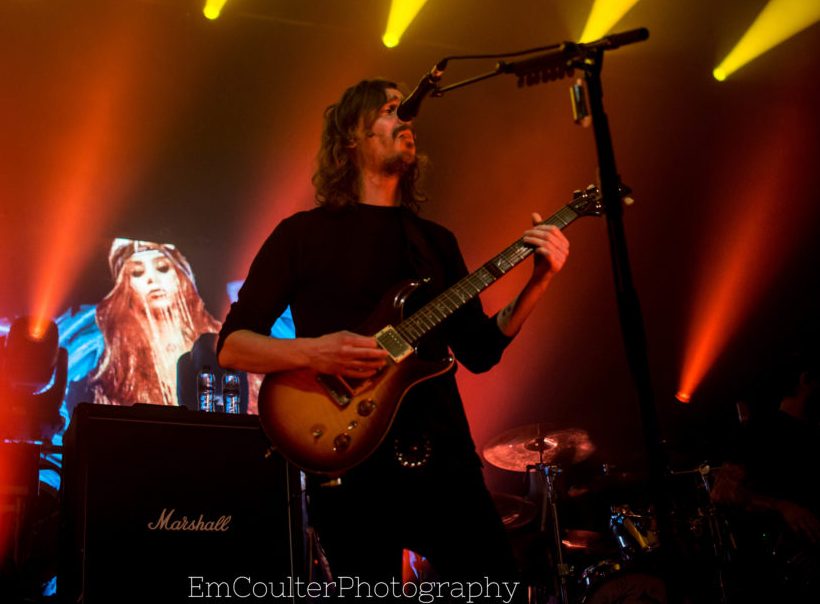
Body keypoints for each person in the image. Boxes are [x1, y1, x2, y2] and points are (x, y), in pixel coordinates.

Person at [218, 79, 569, 593]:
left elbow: (480, 350)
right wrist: (317, 350)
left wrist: (540, 279)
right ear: (351, 140)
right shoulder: (301, 235)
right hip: (350, 462)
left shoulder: (434, 242)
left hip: (444, 460)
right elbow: (231, 345)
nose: (407, 120)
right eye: (389, 110)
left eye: (407, 113)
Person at [710, 347, 820, 602]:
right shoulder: (763, 433)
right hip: (789, 586)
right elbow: (721, 491)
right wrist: (781, 506)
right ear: (806, 381)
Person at [89, 239, 222, 407]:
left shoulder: (215, 340)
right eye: (137, 272)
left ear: (181, 276)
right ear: (125, 287)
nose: (153, 280)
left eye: (163, 268)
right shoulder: (115, 362)